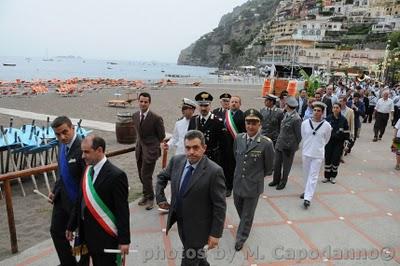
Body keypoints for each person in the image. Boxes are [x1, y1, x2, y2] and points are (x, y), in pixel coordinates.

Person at [156, 130, 226, 266]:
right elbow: (161, 177)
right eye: (188, 148)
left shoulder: (214, 172)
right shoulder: (177, 161)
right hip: (181, 221)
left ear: (204, 148)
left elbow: (220, 206)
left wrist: (215, 234)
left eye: (195, 147)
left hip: (199, 228)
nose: (191, 152)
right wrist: (160, 198)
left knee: (189, 259)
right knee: (198, 258)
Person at [67, 135, 130, 266]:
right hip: (86, 234)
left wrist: (124, 241)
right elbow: (80, 200)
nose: (82, 156)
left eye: (86, 152)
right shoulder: (87, 170)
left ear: (99, 150)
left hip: (105, 236)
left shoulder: (116, 176)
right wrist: (71, 225)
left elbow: (122, 210)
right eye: (82, 151)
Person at [233, 109, 274, 251]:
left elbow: (269, 168)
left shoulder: (266, 143)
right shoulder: (238, 138)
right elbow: (236, 157)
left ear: (260, 124)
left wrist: (256, 177)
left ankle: (241, 238)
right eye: (248, 123)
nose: (250, 126)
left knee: (247, 214)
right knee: (240, 209)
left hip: (253, 185)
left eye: (254, 123)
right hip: (238, 182)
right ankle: (246, 224)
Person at [49, 116, 87, 266]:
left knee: (83, 240)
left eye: (65, 132)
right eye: (58, 134)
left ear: (73, 128)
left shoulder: (83, 149)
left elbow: (85, 182)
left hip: (78, 201)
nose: (62, 137)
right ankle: (68, 262)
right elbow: (61, 171)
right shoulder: (61, 145)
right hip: (61, 197)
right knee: (56, 231)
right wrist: (54, 190)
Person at [133, 92, 166, 210]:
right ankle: (145, 195)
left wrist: (153, 145)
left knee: (145, 175)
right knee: (140, 174)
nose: (143, 104)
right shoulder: (135, 115)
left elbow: (161, 136)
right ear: (138, 101)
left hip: (151, 151)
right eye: (141, 101)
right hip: (139, 150)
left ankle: (151, 198)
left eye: (145, 102)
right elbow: (139, 133)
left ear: (149, 103)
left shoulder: (156, 118)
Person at [301, 102, 332, 209]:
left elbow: (327, 139)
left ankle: (308, 198)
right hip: (306, 152)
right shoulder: (305, 123)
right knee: (306, 174)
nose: (316, 112)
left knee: (313, 176)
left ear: (322, 113)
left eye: (319, 111)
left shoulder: (327, 126)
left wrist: (319, 146)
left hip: (318, 154)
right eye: (314, 110)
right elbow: (303, 136)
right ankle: (306, 191)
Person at [269, 97, 302, 190]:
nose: (284, 104)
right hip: (280, 143)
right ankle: (276, 180)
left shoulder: (296, 118)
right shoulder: (286, 114)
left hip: (288, 146)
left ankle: (283, 182)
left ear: (288, 105)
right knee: (277, 163)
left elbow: (299, 135)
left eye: (285, 104)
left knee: (286, 166)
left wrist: (294, 146)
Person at [188, 91, 224, 165]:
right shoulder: (193, 120)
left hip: (212, 159)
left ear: (210, 105)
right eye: (201, 105)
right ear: (198, 106)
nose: (203, 108)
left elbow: (223, 145)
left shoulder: (217, 121)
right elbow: (189, 139)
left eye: (206, 105)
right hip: (196, 157)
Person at [222, 95, 245, 197]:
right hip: (224, 146)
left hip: (236, 146)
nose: (234, 103)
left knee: (234, 168)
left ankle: (230, 187)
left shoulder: (243, 116)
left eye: (236, 102)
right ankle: (226, 184)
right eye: (232, 102)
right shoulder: (224, 114)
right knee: (225, 167)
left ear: (240, 104)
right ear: (229, 103)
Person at [323, 103, 350, 184]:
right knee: (327, 159)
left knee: (335, 160)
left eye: (337, 107)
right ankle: (327, 177)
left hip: (338, 143)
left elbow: (346, 133)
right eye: (334, 107)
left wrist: (346, 145)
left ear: (340, 109)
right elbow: (324, 131)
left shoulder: (343, 120)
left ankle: (333, 176)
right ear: (332, 109)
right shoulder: (328, 118)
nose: (335, 109)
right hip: (329, 143)